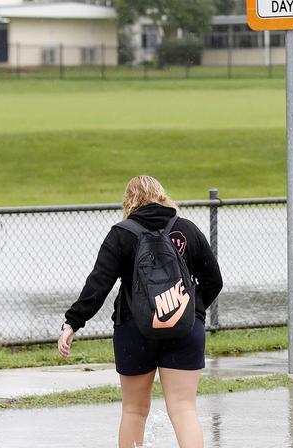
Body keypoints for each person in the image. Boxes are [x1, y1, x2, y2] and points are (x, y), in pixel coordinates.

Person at [58, 175, 223, 448]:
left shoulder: (121, 233)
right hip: (184, 329)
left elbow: (98, 285)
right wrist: (191, 312)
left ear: (129, 202)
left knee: (134, 411)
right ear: (161, 195)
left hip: (134, 329)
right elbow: (213, 281)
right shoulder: (186, 230)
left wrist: (71, 323)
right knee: (184, 409)